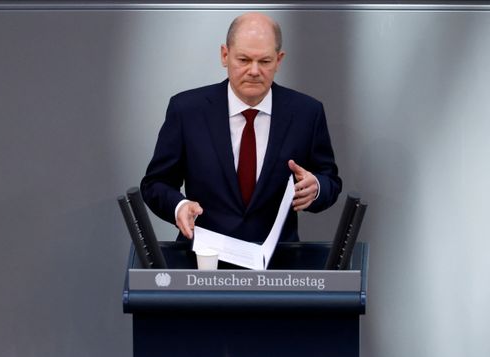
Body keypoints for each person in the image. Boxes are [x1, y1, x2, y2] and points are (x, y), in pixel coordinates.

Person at [141, 12, 341, 243]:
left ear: (279, 60)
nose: (254, 71)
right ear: (225, 55)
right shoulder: (186, 110)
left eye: (265, 61)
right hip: (203, 262)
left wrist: (315, 187)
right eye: (244, 60)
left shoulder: (306, 112)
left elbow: (330, 181)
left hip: (278, 266)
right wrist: (179, 206)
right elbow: (155, 184)